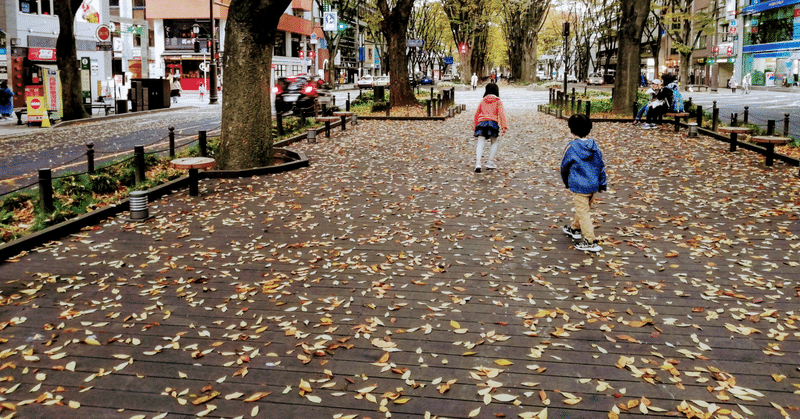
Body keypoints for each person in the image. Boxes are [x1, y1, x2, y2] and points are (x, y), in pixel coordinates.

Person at [561, 114, 607, 253]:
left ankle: (590, 240)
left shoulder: (571, 147)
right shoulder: (594, 147)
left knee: (584, 213)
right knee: (583, 209)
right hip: (593, 185)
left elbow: (564, 167)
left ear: (571, 130)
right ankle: (575, 228)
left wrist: (566, 182)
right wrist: (602, 183)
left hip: (579, 185)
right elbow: (601, 166)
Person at [472, 83, 508, 173]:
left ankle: (478, 163)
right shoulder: (498, 101)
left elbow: (477, 114)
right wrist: (504, 126)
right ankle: (490, 162)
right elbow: (501, 114)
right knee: (494, 142)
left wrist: (475, 125)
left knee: (480, 143)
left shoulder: (483, 101)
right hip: (493, 123)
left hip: (482, 123)